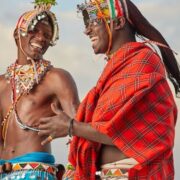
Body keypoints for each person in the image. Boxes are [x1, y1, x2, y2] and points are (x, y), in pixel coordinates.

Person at [37, 0, 180, 179]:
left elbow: (126, 132)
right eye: (86, 24)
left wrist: (71, 126)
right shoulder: (117, 68)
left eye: (93, 22)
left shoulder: (142, 62)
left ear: (118, 23)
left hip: (133, 174)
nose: (87, 30)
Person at [0, 0, 79, 179]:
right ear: (16, 34)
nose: (41, 38)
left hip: (36, 172)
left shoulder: (56, 78)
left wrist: (75, 168)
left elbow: (80, 124)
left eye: (47, 35)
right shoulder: (1, 84)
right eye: (34, 30)